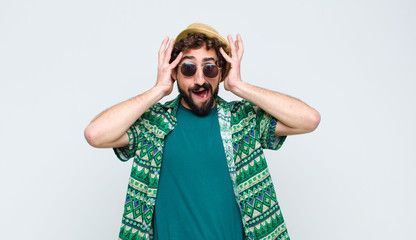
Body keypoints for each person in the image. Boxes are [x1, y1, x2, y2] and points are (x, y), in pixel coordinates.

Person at [84, 23, 320, 240]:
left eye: (209, 68)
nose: (199, 79)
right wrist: (158, 89)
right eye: (188, 68)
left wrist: (239, 86)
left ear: (220, 72)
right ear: (175, 72)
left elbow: (309, 120)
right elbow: (95, 134)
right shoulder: (153, 124)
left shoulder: (243, 121)